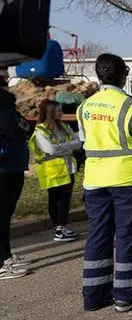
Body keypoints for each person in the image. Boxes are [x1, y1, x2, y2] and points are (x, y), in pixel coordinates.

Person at [77, 53, 132, 312]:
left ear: (98, 75)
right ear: (124, 75)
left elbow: (84, 140)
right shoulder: (131, 107)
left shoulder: (85, 107)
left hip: (95, 180)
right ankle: (125, 294)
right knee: (127, 236)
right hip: (128, 180)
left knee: (98, 235)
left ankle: (94, 295)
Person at [29, 100, 82, 241]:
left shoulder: (63, 126)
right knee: (55, 200)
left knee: (65, 200)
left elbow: (78, 143)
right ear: (49, 112)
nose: (61, 113)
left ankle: (62, 226)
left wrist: (63, 146)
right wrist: (68, 146)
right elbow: (49, 149)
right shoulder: (41, 130)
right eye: (58, 110)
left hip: (67, 168)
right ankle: (57, 229)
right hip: (52, 171)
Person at [0, 77, 32, 279]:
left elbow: (25, 127)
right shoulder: (4, 112)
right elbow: (20, 128)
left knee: (6, 215)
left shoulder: (8, 109)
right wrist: (24, 127)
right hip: (4, 167)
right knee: (2, 214)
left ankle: (6, 255)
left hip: (12, 165)